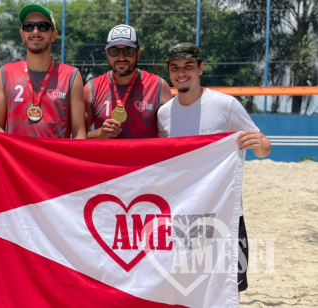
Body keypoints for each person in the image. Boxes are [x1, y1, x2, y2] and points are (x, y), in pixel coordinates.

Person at [157, 42, 272, 293]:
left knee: (227, 287)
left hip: (224, 214)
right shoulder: (164, 114)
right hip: (183, 215)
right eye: (175, 68)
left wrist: (260, 144)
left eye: (188, 66)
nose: (181, 73)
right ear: (169, 72)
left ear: (200, 68)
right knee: (185, 286)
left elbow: (264, 148)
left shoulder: (225, 105)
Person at [0, 3, 85, 139]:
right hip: (16, 160)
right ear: (22, 34)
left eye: (43, 26)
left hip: (54, 160)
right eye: (28, 27)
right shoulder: (5, 73)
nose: (35, 32)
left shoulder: (71, 76)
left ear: (53, 35)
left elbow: (79, 133)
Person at [84, 24, 172, 139]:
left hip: (145, 157)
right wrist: (99, 134)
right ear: (107, 54)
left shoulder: (158, 86)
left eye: (128, 51)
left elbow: (172, 133)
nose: (121, 57)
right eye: (114, 51)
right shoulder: (92, 89)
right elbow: (78, 136)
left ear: (138, 54)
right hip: (107, 157)